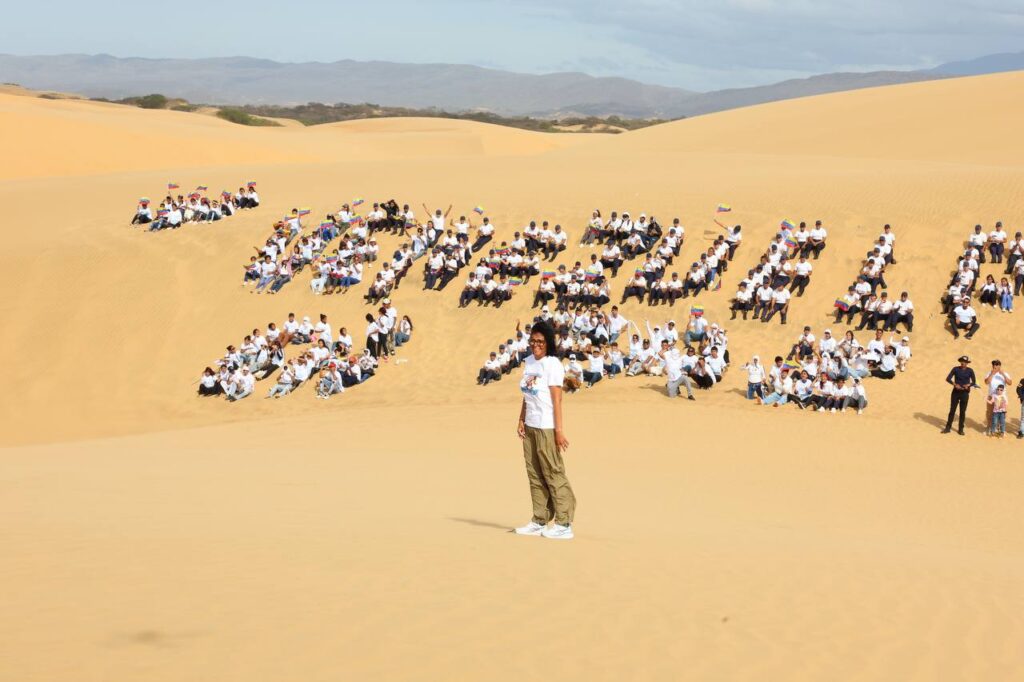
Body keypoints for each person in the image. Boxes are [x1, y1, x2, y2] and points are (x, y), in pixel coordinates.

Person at [514, 321, 576, 540]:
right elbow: (527, 394)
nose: (536, 345)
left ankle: (564, 523)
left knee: (553, 472)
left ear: (548, 342)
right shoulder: (529, 362)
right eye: (533, 341)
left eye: (540, 341)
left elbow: (557, 400)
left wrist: (559, 431)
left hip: (547, 426)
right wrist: (521, 418)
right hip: (530, 425)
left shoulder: (552, 364)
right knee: (534, 473)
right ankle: (539, 520)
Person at [942, 355, 979, 435]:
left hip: (965, 393)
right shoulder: (955, 369)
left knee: (962, 412)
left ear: (967, 363)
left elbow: (974, 382)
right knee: (952, 410)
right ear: (960, 361)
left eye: (965, 362)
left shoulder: (970, 370)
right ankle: (948, 428)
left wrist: (968, 385)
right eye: (962, 361)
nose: (963, 363)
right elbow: (948, 378)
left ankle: (960, 429)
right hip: (955, 392)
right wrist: (955, 384)